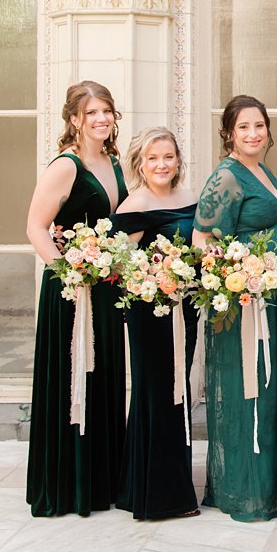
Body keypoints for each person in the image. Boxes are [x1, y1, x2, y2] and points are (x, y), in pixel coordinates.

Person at [192, 96, 277, 521]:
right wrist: (239, 275)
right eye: (244, 127)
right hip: (249, 305)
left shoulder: (260, 170)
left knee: (276, 384)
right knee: (253, 387)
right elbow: (202, 241)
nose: (253, 134)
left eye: (259, 125)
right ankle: (248, 489)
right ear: (229, 133)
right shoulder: (226, 176)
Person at [25, 80, 128, 517]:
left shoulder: (115, 161)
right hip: (71, 291)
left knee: (104, 375)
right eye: (91, 114)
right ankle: (69, 484)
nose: (101, 119)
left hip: (105, 290)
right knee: (71, 381)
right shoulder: (65, 167)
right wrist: (70, 272)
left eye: (106, 111)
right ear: (74, 120)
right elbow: (34, 227)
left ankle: (102, 481)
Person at [110, 127, 200, 520]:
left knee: (179, 392)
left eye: (168, 156)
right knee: (157, 393)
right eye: (152, 158)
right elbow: (121, 266)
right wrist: (156, 279)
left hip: (187, 307)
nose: (162, 164)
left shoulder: (192, 199)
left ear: (178, 160)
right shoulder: (135, 205)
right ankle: (161, 497)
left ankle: (139, 487)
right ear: (140, 164)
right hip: (151, 313)